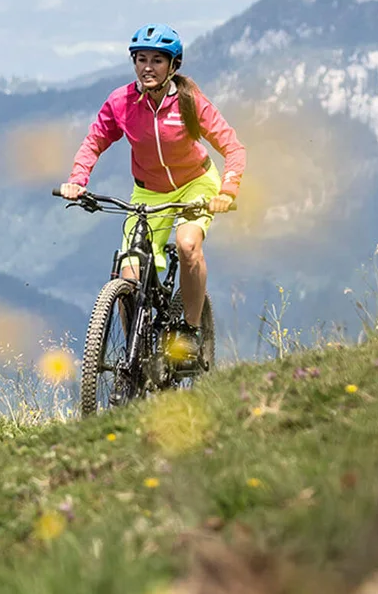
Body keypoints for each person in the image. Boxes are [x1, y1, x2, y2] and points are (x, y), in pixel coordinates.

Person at [55, 22, 245, 371]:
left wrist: (227, 191)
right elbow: (95, 140)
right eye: (140, 59)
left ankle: (189, 329)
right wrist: (77, 180)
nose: (147, 67)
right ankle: (136, 352)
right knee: (128, 273)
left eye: (157, 60)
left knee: (188, 245)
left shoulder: (190, 102)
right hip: (149, 191)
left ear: (174, 66)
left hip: (196, 184)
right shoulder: (121, 102)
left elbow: (232, 147)